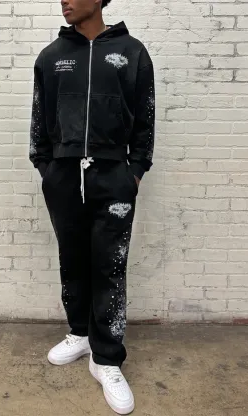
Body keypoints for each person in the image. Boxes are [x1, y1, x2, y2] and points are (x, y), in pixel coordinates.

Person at [29, 0, 155, 413]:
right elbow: (39, 121)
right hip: (64, 176)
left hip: (113, 175)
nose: (64, 1)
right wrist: (48, 169)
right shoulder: (51, 56)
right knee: (72, 258)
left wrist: (133, 172)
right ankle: (81, 334)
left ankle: (107, 359)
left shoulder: (132, 52)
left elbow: (145, 121)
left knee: (109, 265)